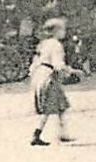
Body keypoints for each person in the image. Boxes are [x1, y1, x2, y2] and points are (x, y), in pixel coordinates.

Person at [29, 18, 74, 147]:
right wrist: (73, 71)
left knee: (61, 105)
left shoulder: (43, 43)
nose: (64, 32)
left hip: (39, 75)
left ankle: (63, 133)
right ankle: (36, 134)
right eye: (63, 29)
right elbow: (57, 64)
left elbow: (35, 61)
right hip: (49, 77)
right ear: (56, 31)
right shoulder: (56, 44)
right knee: (49, 107)